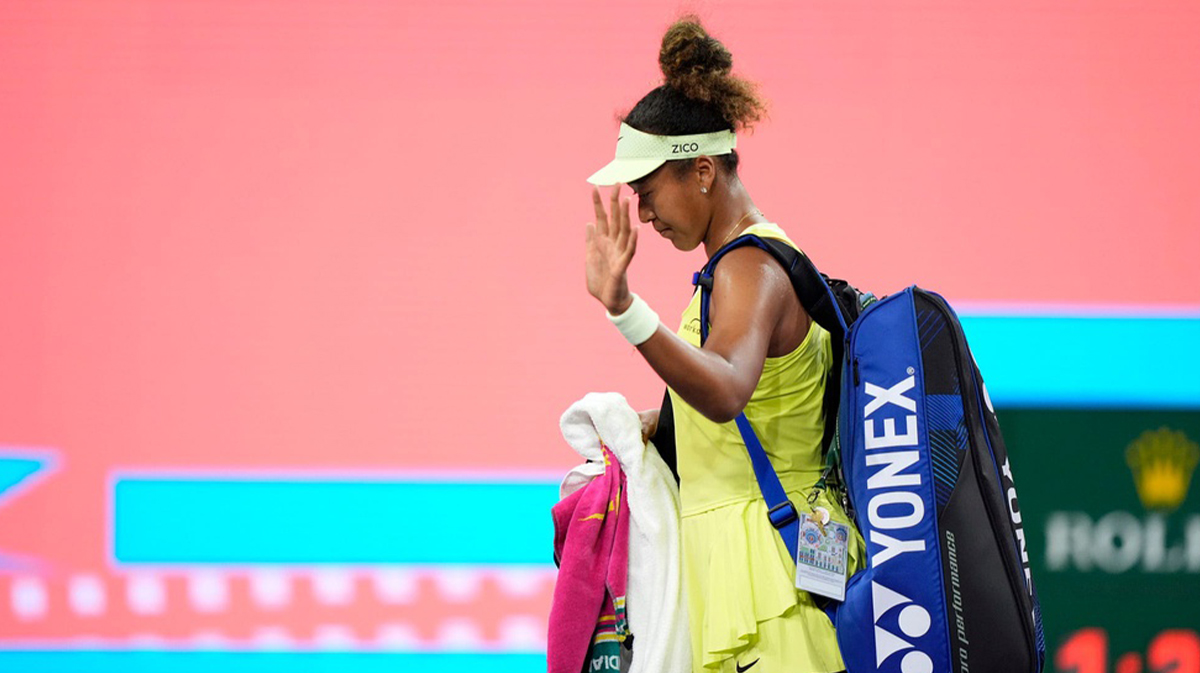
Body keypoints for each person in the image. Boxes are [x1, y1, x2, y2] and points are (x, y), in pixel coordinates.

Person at [583, 16, 864, 673]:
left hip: (772, 592)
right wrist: (659, 426)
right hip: (760, 585)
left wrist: (624, 308)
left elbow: (729, 385)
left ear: (702, 171)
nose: (644, 213)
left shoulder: (750, 267)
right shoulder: (741, 266)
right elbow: (748, 409)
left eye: (648, 192)